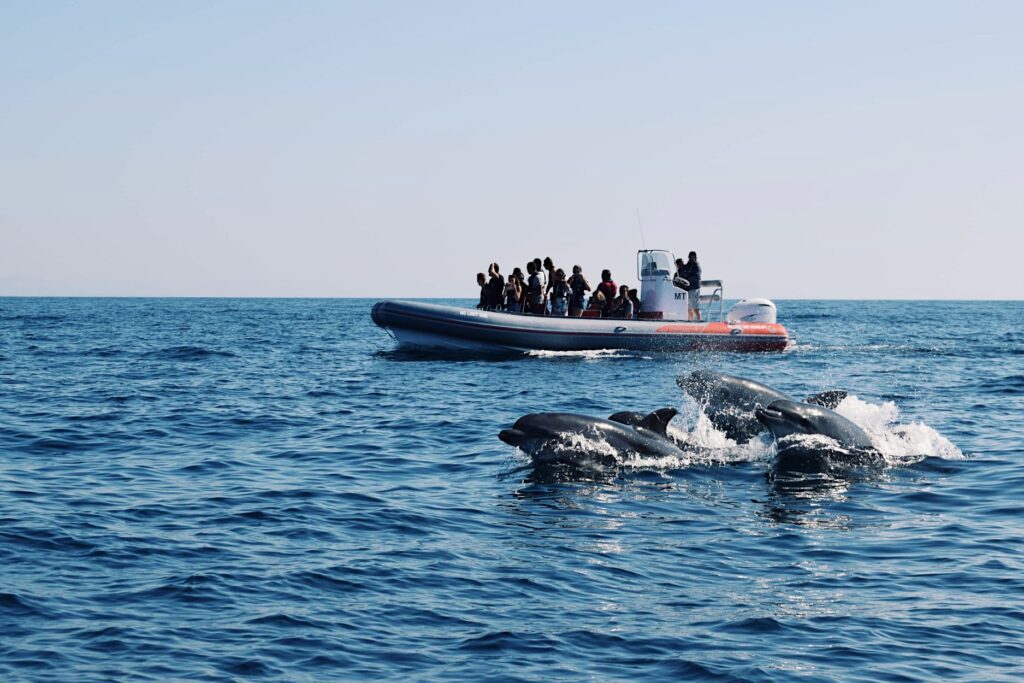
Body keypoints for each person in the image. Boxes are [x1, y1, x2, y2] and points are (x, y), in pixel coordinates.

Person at [677, 251, 702, 321]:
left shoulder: (696, 267)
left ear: (695, 258)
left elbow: (696, 277)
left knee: (696, 308)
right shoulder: (688, 266)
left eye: (692, 257)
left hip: (694, 289)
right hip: (688, 289)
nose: (691, 258)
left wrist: (687, 277)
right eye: (690, 257)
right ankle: (690, 321)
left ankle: (699, 321)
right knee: (689, 308)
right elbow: (682, 271)